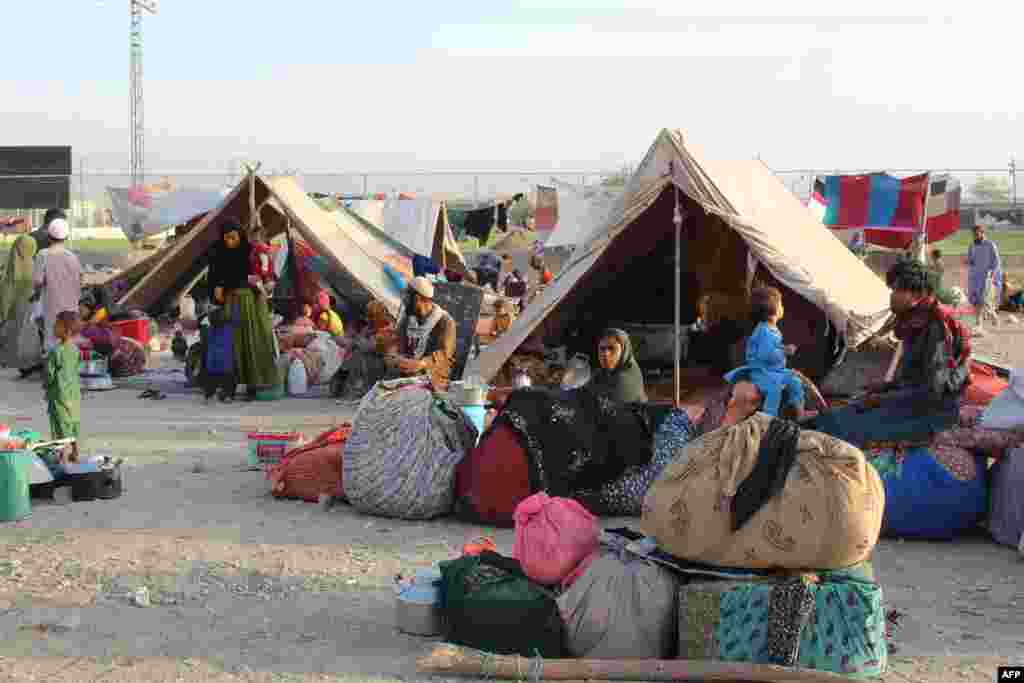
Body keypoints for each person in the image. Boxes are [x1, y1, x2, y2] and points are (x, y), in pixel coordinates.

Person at [807, 258, 971, 447]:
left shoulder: (936, 328)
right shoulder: (915, 321)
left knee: (842, 428)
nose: (892, 296)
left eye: (898, 290)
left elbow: (932, 391)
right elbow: (916, 377)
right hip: (914, 403)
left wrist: (882, 398)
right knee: (835, 416)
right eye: (892, 290)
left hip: (934, 414)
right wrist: (886, 387)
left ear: (917, 294)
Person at [207, 220, 279, 400]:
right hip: (230, 305)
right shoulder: (218, 254)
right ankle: (228, 388)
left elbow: (267, 275)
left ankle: (252, 386)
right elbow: (214, 281)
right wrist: (219, 291)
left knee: (251, 344)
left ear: (240, 236)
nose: (230, 242)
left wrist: (268, 283)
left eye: (233, 238)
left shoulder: (251, 251)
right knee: (230, 348)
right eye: (227, 238)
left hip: (251, 304)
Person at [723, 287, 812, 420]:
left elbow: (773, 347)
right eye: (781, 303)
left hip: (774, 371)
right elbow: (765, 354)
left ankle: (800, 412)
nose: (782, 307)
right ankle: (768, 419)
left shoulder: (772, 329)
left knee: (795, 382)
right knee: (774, 389)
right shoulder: (764, 330)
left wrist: (783, 347)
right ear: (773, 308)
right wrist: (784, 351)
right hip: (762, 372)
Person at [388, 276, 457, 386]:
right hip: (406, 376)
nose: (404, 301)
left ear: (417, 299)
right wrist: (397, 358)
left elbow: (445, 355)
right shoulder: (407, 319)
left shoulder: (445, 322)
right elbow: (396, 343)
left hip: (434, 378)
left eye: (407, 297)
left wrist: (422, 364)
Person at [32, 218, 82, 354]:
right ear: (66, 237)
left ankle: (54, 370)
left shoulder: (43, 255)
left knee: (51, 338)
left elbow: (37, 282)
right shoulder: (73, 257)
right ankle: (68, 368)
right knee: (68, 337)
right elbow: (79, 280)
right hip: (71, 305)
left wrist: (35, 298)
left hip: (51, 304)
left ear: (49, 236)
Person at [0, 234, 40, 375]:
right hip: (31, 318)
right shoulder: (36, 268)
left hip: (12, 316)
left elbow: (6, 297)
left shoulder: (11, 270)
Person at [45, 311, 81, 452]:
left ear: (66, 330)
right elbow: (76, 369)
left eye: (56, 325)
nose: (53, 327)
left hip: (59, 394)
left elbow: (49, 373)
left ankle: (63, 456)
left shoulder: (56, 351)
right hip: (74, 394)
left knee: (59, 424)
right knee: (72, 423)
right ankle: (75, 452)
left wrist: (46, 385)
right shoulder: (76, 350)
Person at [588, 328, 648, 403]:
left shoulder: (624, 380)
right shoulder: (601, 374)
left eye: (611, 348)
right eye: (602, 348)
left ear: (624, 351)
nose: (605, 354)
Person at [966, 224, 1002, 331]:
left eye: (977, 233)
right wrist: (968, 262)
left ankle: (983, 321)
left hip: (986, 276)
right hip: (974, 277)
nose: (975, 235)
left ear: (982, 233)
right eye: (974, 234)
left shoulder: (990, 245)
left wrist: (992, 273)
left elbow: (996, 261)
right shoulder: (971, 245)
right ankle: (987, 318)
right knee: (976, 300)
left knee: (983, 300)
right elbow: (971, 260)